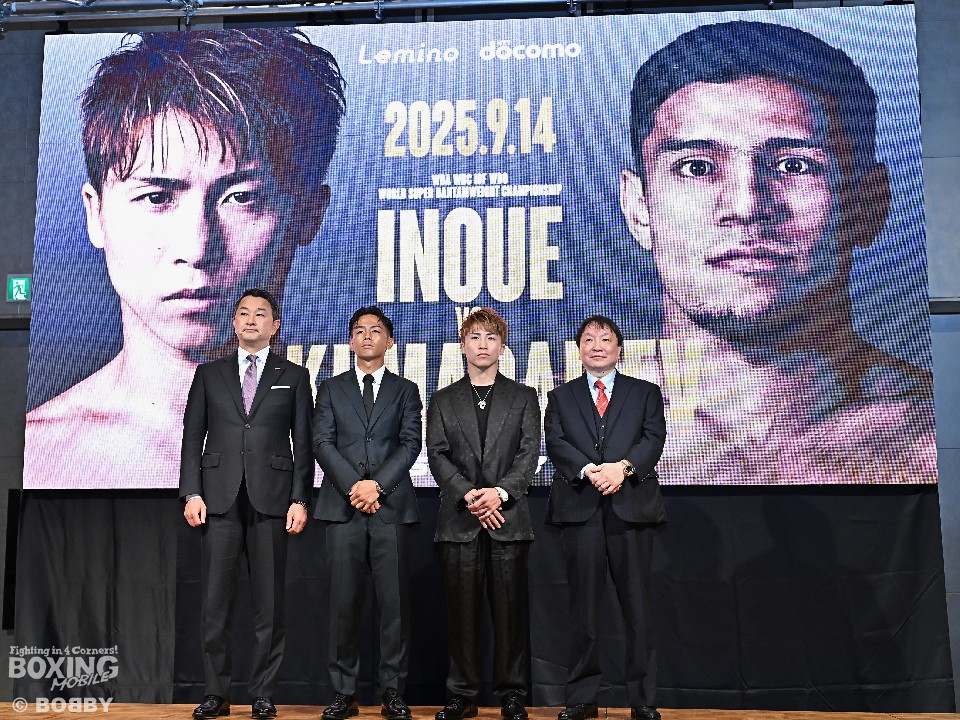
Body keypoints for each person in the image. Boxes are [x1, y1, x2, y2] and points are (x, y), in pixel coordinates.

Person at [23, 28, 345, 489]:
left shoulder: (369, 451)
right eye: (156, 197)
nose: (196, 249)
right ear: (95, 214)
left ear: (309, 215)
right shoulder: (43, 456)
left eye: (241, 198)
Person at [618, 20, 936, 484]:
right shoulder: (558, 429)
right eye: (697, 167)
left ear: (868, 203)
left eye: (794, 165)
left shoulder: (933, 439)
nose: (745, 206)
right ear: (638, 207)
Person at [180, 288, 314, 720]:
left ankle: (263, 694)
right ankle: (216, 693)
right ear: (234, 323)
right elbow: (192, 437)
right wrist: (191, 492)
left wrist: (300, 498)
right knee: (214, 605)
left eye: (261, 314)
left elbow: (304, 443)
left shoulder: (294, 376)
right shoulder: (209, 373)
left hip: (272, 499)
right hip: (218, 499)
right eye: (244, 313)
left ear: (275, 326)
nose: (251, 319)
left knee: (269, 606)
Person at [544, 314, 667, 720]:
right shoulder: (561, 396)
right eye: (589, 340)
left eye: (605, 339)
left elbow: (653, 438)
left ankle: (642, 699)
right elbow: (556, 442)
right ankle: (582, 697)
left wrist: (622, 469)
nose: (597, 346)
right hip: (580, 509)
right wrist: (589, 471)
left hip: (631, 509)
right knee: (583, 610)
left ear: (619, 348)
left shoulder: (645, 392)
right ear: (578, 349)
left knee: (637, 610)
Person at [427, 308, 540, 720]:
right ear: (462, 346)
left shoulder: (524, 396)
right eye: (474, 337)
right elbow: (437, 454)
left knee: (510, 615)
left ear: (502, 346)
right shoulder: (443, 399)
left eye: (491, 337)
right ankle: (462, 694)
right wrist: (469, 495)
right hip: (460, 521)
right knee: (460, 615)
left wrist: (498, 494)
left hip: (507, 520)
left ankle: (512, 693)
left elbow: (528, 454)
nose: (482, 345)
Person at [313, 307, 423, 720]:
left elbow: (410, 444)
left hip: (389, 508)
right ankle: (344, 693)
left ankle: (392, 691)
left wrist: (376, 486)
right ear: (350, 341)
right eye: (358, 331)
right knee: (343, 605)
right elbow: (322, 442)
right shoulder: (330, 388)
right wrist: (354, 487)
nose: (366, 336)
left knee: (394, 607)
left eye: (375, 331)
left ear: (389, 342)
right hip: (343, 509)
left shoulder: (406, 389)